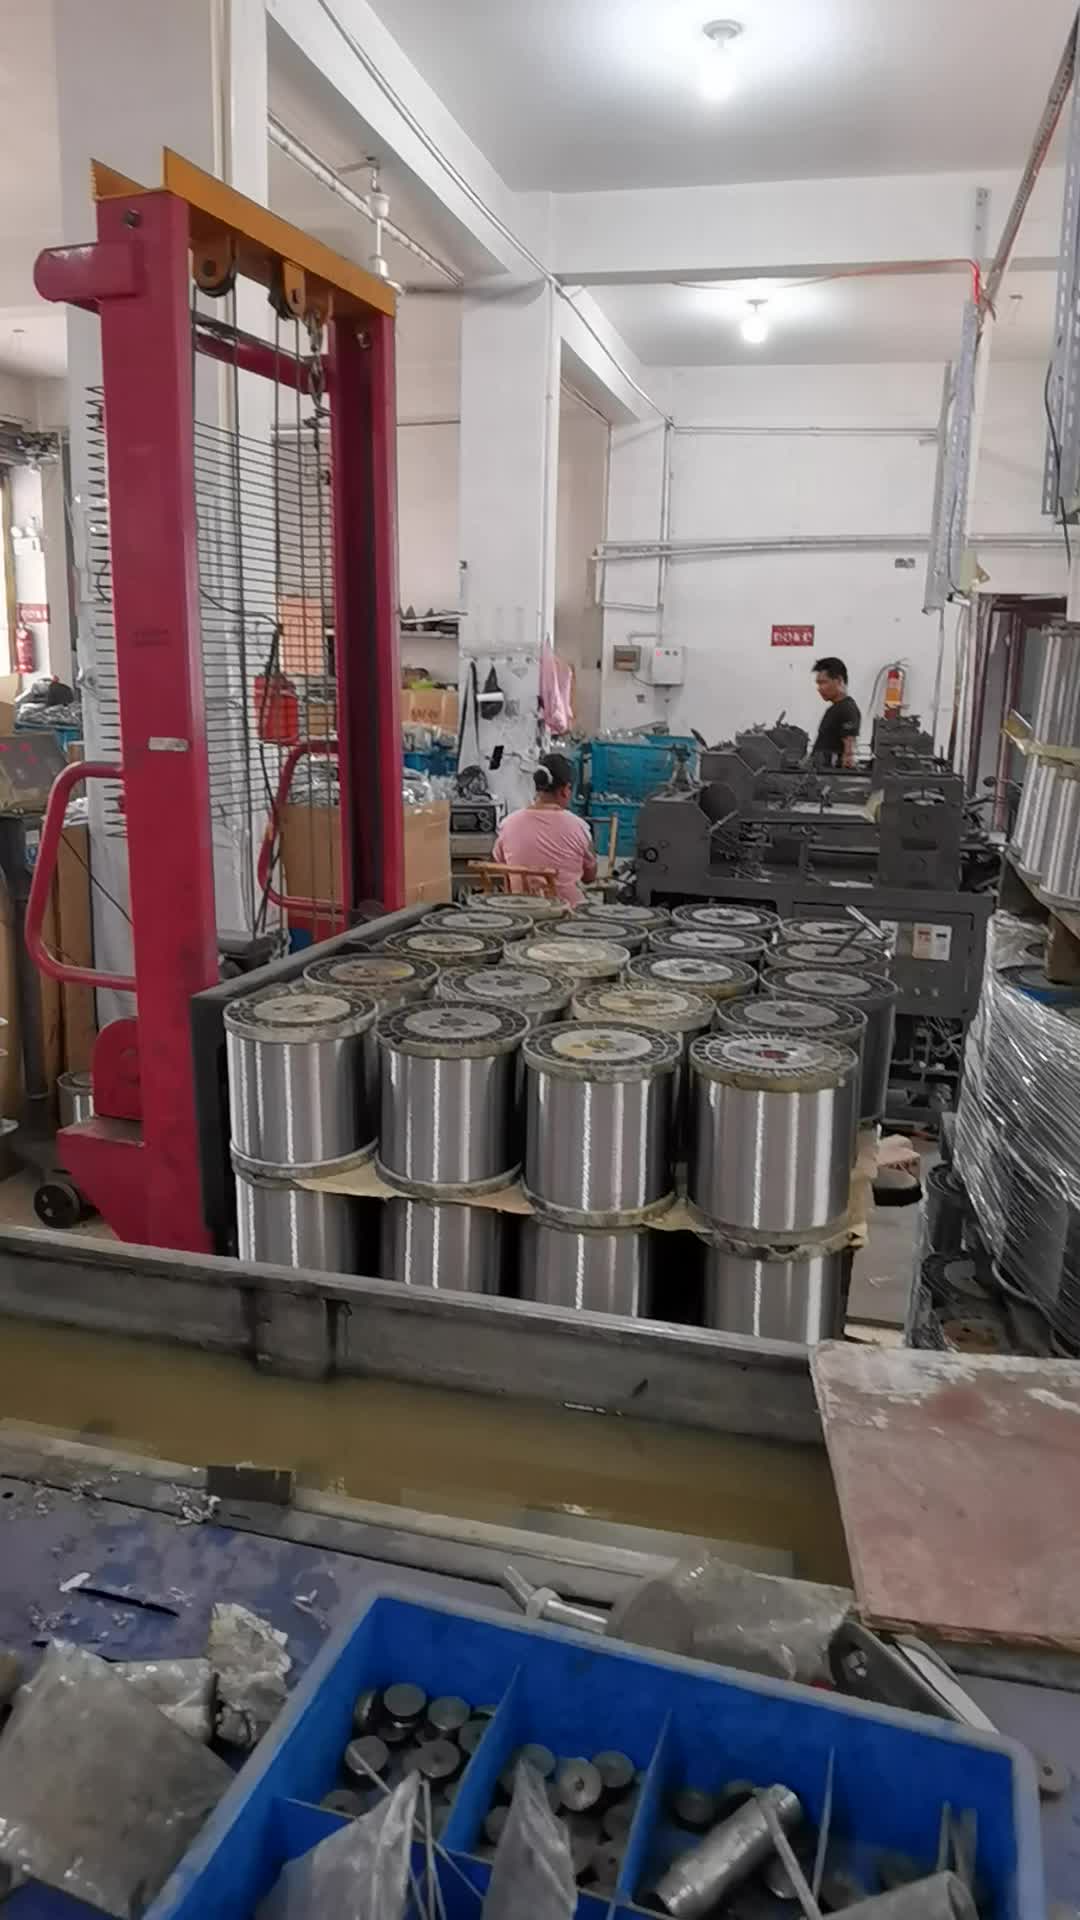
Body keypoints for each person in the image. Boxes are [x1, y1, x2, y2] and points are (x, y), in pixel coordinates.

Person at [492, 752, 597, 906]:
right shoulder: (579, 827)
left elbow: (499, 864)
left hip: (521, 910)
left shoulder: (508, 824)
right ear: (565, 790)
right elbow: (589, 877)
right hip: (567, 914)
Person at [810, 656, 861, 769]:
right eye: (818, 684)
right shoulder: (835, 709)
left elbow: (849, 742)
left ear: (839, 681)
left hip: (830, 774)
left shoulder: (847, 708)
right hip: (821, 771)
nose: (819, 688)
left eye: (823, 682)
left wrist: (848, 757)